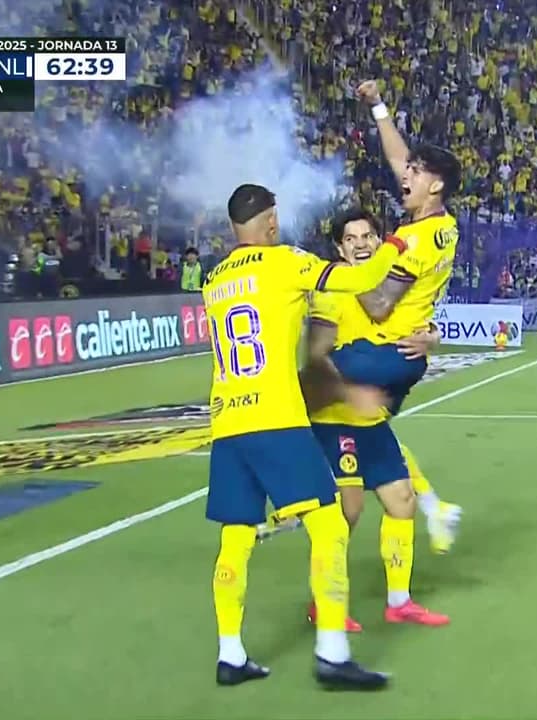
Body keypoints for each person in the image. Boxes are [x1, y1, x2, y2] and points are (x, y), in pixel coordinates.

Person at [204, 184, 405, 690]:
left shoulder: (213, 279)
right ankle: (332, 654)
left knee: (235, 536)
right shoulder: (285, 261)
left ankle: (230, 654)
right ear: (271, 222)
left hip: (227, 420)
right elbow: (360, 277)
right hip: (276, 417)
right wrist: (398, 245)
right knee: (330, 526)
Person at [295, 208, 462, 632]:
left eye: (368, 236)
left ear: (380, 241)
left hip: (371, 421)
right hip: (335, 419)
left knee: (402, 501)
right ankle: (323, 603)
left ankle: (399, 602)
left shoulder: (390, 287)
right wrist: (350, 391)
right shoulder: (332, 290)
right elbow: (315, 357)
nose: (361, 244)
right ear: (340, 248)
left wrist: (430, 337)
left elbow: (418, 329)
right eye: (351, 239)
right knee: (347, 512)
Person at [338, 79, 461, 416]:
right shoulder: (443, 224)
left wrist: (349, 272)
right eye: (408, 169)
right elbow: (399, 159)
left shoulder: (414, 241)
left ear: (435, 186)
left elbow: (379, 305)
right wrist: (378, 106)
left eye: (415, 172)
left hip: (385, 351)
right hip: (406, 354)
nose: (404, 176)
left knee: (309, 386)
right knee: (368, 433)